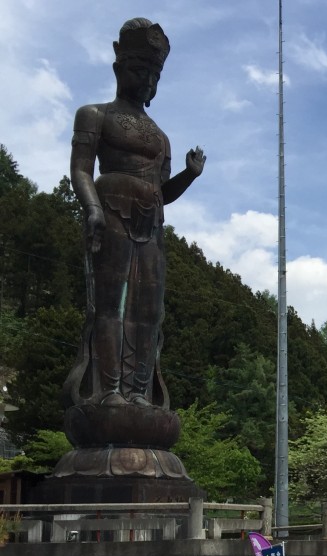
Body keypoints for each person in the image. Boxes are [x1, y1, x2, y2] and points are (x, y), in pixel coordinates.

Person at [66, 18, 205, 411]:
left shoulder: (161, 137)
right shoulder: (94, 114)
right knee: (109, 305)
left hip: (152, 224)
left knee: (148, 312)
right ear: (119, 67)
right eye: (140, 70)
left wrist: (189, 176)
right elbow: (80, 169)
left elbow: (163, 193)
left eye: (154, 74)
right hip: (111, 212)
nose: (147, 81)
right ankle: (108, 389)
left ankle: (140, 393)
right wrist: (93, 208)